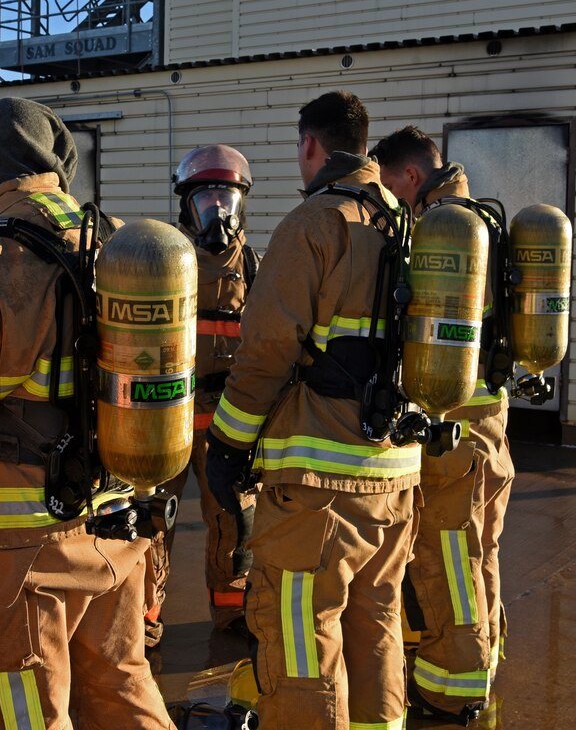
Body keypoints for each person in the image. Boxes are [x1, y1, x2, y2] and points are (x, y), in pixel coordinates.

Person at [0, 96, 173, 729]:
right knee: (121, 686)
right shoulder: (115, 243)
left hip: (16, 549)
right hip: (116, 524)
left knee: (21, 711)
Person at [206, 90, 420, 730]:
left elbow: (267, 352)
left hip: (318, 487)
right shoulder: (403, 221)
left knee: (302, 635)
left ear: (311, 146)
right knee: (376, 625)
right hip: (395, 475)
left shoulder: (312, 225)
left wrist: (227, 444)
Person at [370, 125, 515, 725]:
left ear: (409, 176)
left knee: (448, 555)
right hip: (493, 424)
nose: (397, 204)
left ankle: (452, 685)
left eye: (394, 190)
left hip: (451, 427)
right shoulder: (486, 221)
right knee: (482, 550)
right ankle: (484, 658)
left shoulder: (442, 233)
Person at [145, 144, 260, 646]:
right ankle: (144, 616)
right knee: (153, 522)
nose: (217, 211)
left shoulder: (255, 267)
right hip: (169, 413)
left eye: (226, 199)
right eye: (206, 199)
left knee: (234, 516)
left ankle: (232, 610)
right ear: (185, 205)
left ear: (241, 204)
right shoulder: (167, 262)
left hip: (225, 420)